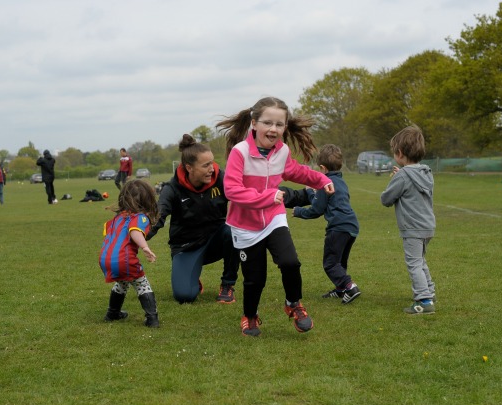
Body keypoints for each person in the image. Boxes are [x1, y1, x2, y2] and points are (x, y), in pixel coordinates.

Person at [216, 96, 334, 337]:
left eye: (279, 125)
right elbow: (232, 190)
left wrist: (322, 180)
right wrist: (267, 196)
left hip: (273, 218)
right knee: (254, 279)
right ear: (254, 123)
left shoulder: (282, 151)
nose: (273, 129)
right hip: (245, 226)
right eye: (268, 123)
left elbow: (295, 171)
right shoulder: (240, 153)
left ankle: (293, 304)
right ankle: (250, 316)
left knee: (290, 262)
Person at [146, 134, 240, 304]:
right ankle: (191, 277)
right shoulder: (172, 188)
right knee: (185, 296)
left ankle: (227, 285)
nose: (212, 168)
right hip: (186, 246)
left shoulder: (221, 179)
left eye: (212, 162)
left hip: (215, 241)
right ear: (189, 168)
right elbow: (158, 216)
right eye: (206, 165)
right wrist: (139, 236)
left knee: (233, 231)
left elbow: (244, 199)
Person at [290, 144, 361, 304]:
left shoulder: (325, 183)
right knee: (340, 262)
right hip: (351, 226)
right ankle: (341, 289)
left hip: (338, 227)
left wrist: (299, 211)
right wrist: (310, 191)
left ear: (322, 167)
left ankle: (350, 287)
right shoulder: (341, 182)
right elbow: (323, 199)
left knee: (330, 263)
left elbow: (316, 209)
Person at [381, 125, 437, 315]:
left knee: (414, 263)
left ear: (399, 153)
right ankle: (429, 291)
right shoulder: (426, 172)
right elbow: (410, 187)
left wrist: (396, 179)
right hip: (427, 226)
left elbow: (386, 199)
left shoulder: (404, 175)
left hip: (412, 228)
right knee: (420, 261)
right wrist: (400, 176)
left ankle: (424, 300)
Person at [99, 179, 161, 327]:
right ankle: (152, 319)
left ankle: (112, 313)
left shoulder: (116, 219)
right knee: (141, 283)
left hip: (105, 259)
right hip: (124, 260)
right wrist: (145, 247)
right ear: (148, 200)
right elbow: (134, 231)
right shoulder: (139, 217)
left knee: (123, 281)